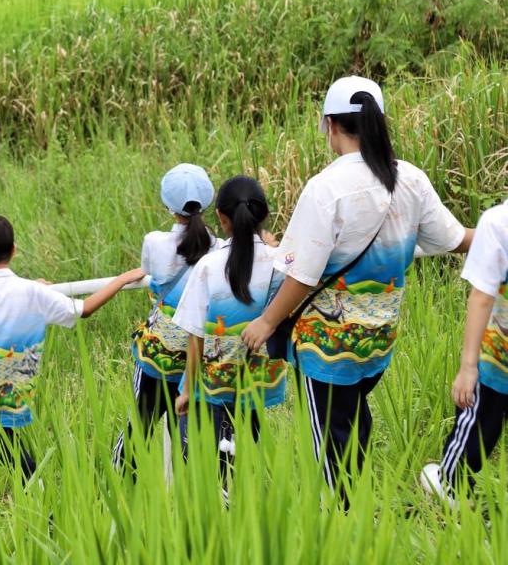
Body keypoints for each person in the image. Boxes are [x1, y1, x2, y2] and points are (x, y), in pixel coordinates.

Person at [240, 76, 473, 496]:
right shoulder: (410, 179)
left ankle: (343, 517)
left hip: (328, 346)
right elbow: (456, 239)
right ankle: (359, 501)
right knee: (352, 419)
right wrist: (499, 234)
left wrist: (266, 322)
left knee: (331, 445)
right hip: (378, 340)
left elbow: (301, 275)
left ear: (330, 125)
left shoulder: (325, 188)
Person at [0, 214, 144, 487]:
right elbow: (84, 309)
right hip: (11, 404)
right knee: (23, 467)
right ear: (14, 250)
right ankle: (42, 506)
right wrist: (121, 280)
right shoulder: (33, 293)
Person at [172, 177, 287, 485]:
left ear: (222, 218)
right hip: (256, 384)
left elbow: (195, 335)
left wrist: (186, 391)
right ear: (264, 214)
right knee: (242, 461)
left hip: (212, 386)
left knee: (201, 469)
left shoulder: (209, 266)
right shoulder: (280, 264)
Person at [113, 164, 220, 471]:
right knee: (189, 437)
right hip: (198, 355)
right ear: (208, 202)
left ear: (168, 207)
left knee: (139, 425)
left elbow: (148, 271)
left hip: (158, 354)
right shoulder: (220, 248)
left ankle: (119, 484)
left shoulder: (155, 242)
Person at [420, 198, 508, 504]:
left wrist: (468, 367)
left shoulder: (498, 222)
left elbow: (482, 298)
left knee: (477, 421)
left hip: (499, 360)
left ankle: (450, 485)